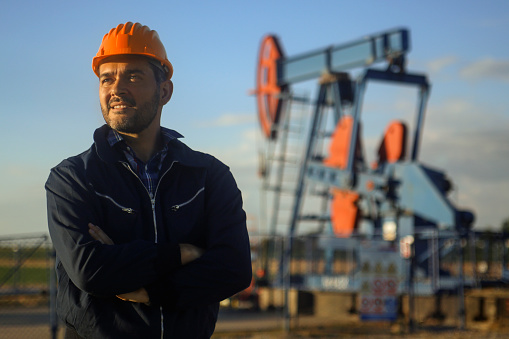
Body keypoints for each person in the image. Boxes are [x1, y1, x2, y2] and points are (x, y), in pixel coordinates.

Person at [45, 22, 252, 339]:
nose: (116, 87)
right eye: (107, 78)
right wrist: (181, 255)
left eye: (133, 76)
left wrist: (154, 290)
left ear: (165, 90)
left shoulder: (209, 176)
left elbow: (234, 269)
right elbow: (90, 270)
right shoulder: (72, 178)